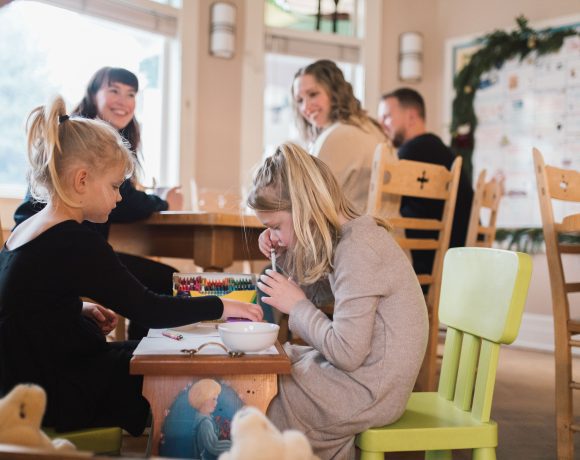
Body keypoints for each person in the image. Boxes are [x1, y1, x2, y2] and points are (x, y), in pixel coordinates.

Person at [0, 96, 263, 437]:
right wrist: (222, 305)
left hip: (21, 377)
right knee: (169, 363)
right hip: (53, 389)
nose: (120, 197)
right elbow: (149, 308)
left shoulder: (27, 228)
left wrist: (78, 307)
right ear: (81, 180)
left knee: (139, 348)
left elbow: (23, 303)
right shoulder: (74, 240)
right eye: (114, 186)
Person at [248, 142, 428, 460]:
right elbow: (323, 293)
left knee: (270, 394)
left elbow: (346, 353)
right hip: (367, 376)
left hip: (371, 390)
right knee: (276, 365)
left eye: (276, 226)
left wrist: (297, 306)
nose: (274, 234)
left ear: (304, 210)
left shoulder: (359, 249)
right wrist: (285, 251)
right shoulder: (351, 238)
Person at [13, 67, 182, 340]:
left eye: (131, 94)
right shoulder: (81, 137)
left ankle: (141, 347)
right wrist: (162, 202)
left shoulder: (85, 134)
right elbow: (128, 201)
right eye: (113, 90)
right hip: (59, 254)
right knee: (160, 285)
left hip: (53, 257)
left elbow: (124, 197)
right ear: (93, 94)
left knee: (153, 286)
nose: (123, 100)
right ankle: (143, 349)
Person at [378, 87, 474, 276]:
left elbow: (387, 211)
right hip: (456, 265)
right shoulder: (445, 154)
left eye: (387, 117)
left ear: (411, 117)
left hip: (421, 270)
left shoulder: (407, 157)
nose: (382, 125)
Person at [292, 59, 390, 214]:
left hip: (357, 235)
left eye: (313, 94)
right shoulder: (373, 128)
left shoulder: (337, 135)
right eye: (300, 100)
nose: (305, 107)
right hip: (388, 234)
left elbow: (308, 205)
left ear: (334, 92)